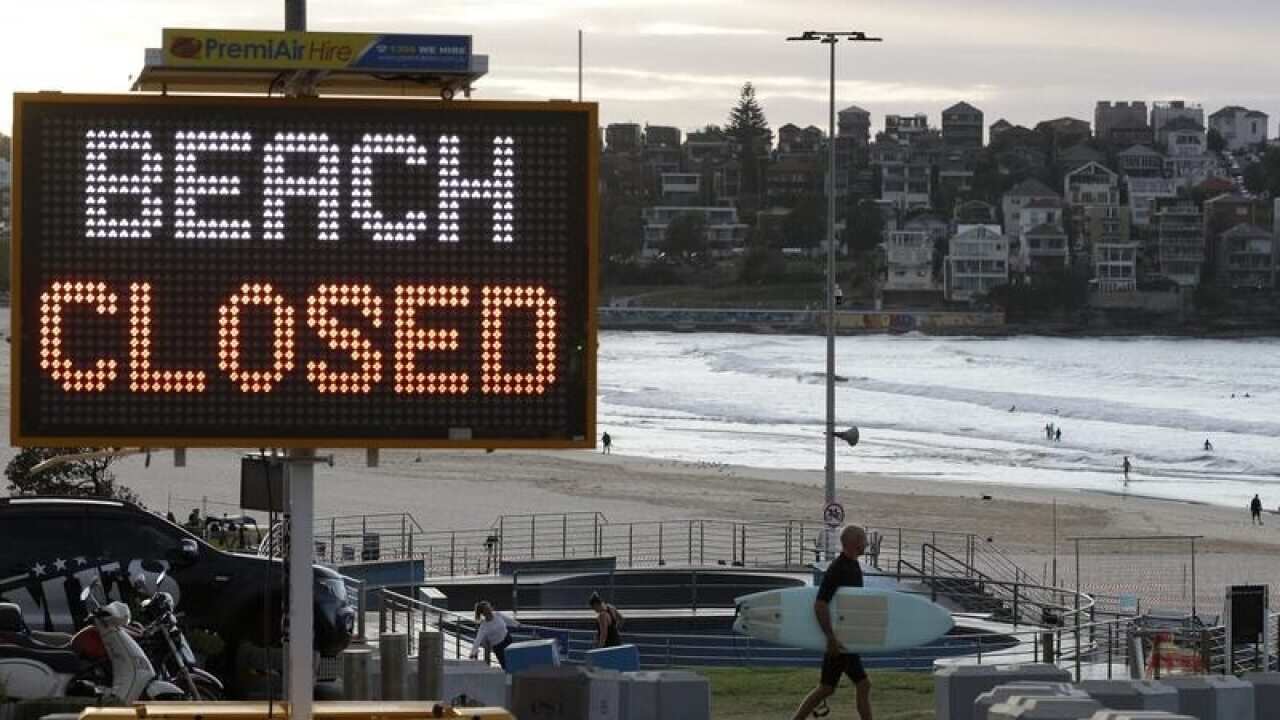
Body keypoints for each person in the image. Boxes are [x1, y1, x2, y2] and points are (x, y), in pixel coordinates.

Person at [790, 525, 873, 720]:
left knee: (833, 687)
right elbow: (820, 604)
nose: (866, 544)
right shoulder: (838, 568)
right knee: (835, 687)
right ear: (854, 542)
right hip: (839, 640)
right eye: (863, 540)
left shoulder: (852, 565)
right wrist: (831, 638)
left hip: (845, 638)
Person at [469, 601, 515, 668]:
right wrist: (473, 652)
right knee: (506, 666)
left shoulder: (497, 614)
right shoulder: (484, 626)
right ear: (483, 613)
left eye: (489, 608)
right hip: (499, 647)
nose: (490, 611)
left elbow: (508, 620)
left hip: (508, 640)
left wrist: (517, 624)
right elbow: (478, 640)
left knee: (515, 662)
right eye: (487, 610)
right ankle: (509, 677)